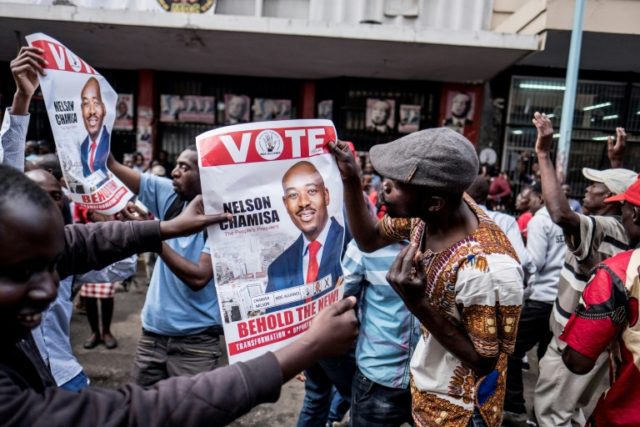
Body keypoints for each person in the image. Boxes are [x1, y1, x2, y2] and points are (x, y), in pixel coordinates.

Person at [0, 163, 359, 426]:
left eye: (53, 266)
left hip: (196, 343)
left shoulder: (213, 224)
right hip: (155, 336)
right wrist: (307, 348)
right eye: (21, 274)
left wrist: (162, 229)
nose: (49, 289)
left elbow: (79, 243)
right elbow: (139, 414)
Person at [331, 127, 523, 427]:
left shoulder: (488, 269)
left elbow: (484, 360)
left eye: (397, 183)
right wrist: (351, 178)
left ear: (434, 202)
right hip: (426, 391)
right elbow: (368, 238)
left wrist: (418, 303)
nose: (385, 187)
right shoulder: (428, 217)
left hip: (460, 412)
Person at [530, 112, 637, 426]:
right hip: (602, 342)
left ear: (609, 198)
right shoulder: (624, 231)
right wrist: (617, 165)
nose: (586, 191)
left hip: (575, 341)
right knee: (576, 415)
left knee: (552, 415)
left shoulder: (605, 229)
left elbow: (561, 213)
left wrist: (543, 153)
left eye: (594, 186)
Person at [108, 146, 227, 386]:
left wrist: (152, 236)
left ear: (207, 178)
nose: (174, 172)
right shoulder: (171, 196)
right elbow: (112, 164)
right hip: (152, 336)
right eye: (176, 165)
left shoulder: (222, 217)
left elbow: (198, 277)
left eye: (185, 167)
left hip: (196, 345)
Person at [25, 169, 136, 391]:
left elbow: (121, 268)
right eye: (36, 194)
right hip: (22, 384)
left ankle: (103, 332)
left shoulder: (68, 251)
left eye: (55, 196)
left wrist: (118, 228)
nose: (48, 204)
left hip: (66, 376)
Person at [560, 177, 640, 427]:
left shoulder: (619, 273)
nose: (622, 215)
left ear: (635, 213)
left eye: (624, 208)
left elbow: (578, 361)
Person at [503, 181, 566, 425]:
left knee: (510, 349)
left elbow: (534, 262)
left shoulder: (539, 220)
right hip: (559, 300)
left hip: (538, 298)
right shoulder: (566, 220)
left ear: (541, 197)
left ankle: (514, 406)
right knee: (547, 357)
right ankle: (542, 413)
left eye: (529, 196)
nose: (526, 200)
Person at [342, 236, 419, 426]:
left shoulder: (446, 241)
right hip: (377, 379)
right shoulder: (364, 244)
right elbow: (338, 303)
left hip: (433, 381)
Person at [265, 161, 345, 311]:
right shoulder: (277, 268)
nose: (303, 203)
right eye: (293, 195)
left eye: (312, 191)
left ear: (326, 195)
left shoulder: (348, 244)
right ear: (286, 204)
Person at [466, 175, 534, 280]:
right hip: (498, 288)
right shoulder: (506, 221)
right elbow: (523, 260)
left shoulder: (448, 220)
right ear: (486, 195)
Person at [79, 77, 110, 180]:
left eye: (96, 103)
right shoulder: (82, 146)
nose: (92, 111)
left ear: (104, 109)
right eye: (86, 104)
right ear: (81, 110)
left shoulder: (111, 142)